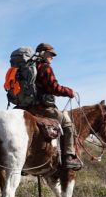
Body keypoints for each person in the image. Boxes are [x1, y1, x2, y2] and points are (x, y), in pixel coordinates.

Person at [32, 42, 83, 170]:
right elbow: (54, 87)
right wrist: (69, 92)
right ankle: (68, 157)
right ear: (43, 53)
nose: (52, 57)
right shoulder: (44, 68)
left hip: (26, 106)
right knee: (67, 124)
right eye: (50, 54)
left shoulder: (29, 67)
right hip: (42, 107)